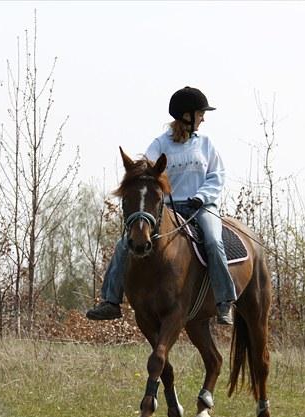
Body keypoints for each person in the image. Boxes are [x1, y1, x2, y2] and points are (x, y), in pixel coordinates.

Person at [86, 86, 236, 325]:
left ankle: (224, 300)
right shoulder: (160, 144)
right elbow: (146, 170)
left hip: (201, 206)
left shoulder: (205, 144)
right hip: (168, 209)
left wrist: (202, 196)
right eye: (200, 113)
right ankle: (110, 301)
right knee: (123, 244)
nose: (203, 118)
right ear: (187, 116)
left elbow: (217, 175)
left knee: (213, 241)